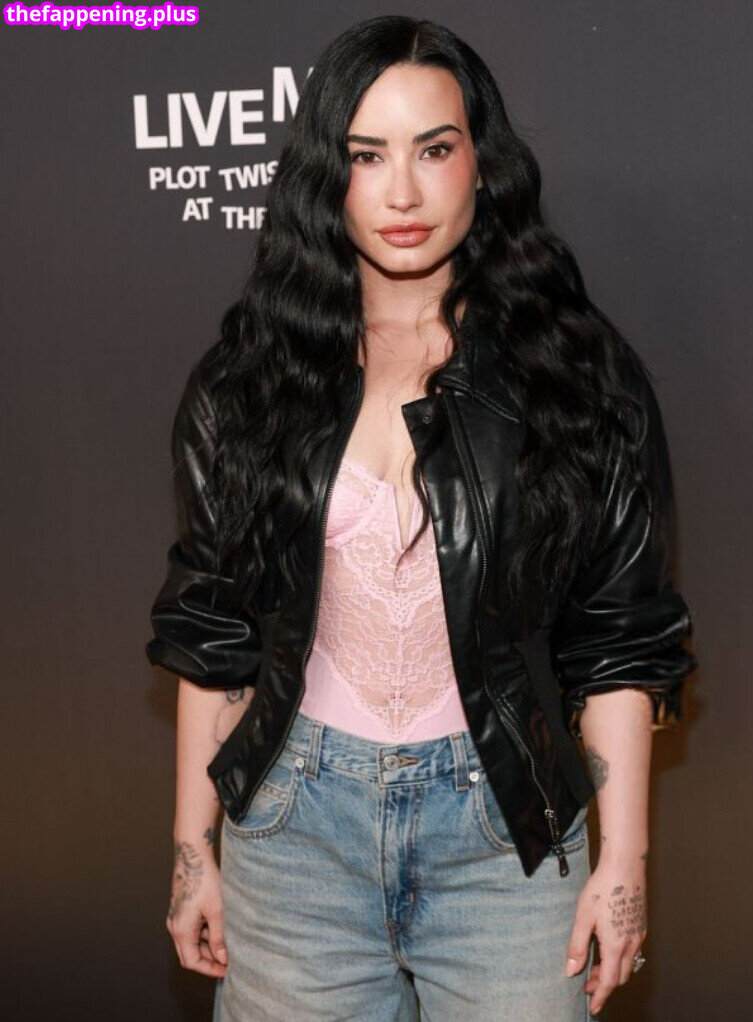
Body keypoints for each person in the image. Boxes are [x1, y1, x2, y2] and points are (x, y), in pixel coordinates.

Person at [145, 15, 697, 1021]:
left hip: (505, 834)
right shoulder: (249, 380)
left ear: (481, 164)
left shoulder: (577, 376)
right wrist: (193, 849)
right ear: (326, 175)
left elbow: (617, 641)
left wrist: (623, 863)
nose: (401, 192)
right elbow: (212, 633)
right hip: (294, 832)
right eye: (366, 156)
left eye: (433, 150)